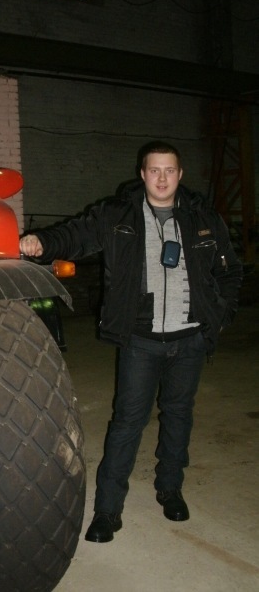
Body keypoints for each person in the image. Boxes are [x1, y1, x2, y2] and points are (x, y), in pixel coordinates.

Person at [20, 141, 243, 544]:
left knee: (178, 415)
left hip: (189, 339)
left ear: (180, 175)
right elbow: (75, 234)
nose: (162, 178)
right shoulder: (118, 214)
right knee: (127, 422)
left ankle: (170, 489)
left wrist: (219, 317)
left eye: (169, 170)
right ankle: (108, 510)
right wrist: (42, 242)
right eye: (154, 170)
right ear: (142, 174)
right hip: (141, 340)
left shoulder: (203, 217)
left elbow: (230, 270)